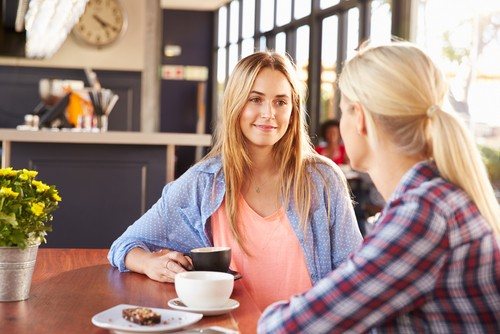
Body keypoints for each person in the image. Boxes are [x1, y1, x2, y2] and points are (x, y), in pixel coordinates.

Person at [258, 42, 500, 332]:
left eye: (344, 111)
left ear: (360, 119)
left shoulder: (423, 215)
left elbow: (285, 328)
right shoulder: (435, 198)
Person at [108, 51, 362, 311]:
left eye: (281, 102)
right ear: (236, 104)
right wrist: (151, 264)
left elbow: (354, 276)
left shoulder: (322, 180)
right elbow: (125, 245)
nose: (269, 114)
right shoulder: (204, 182)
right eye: (256, 99)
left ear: (294, 110)